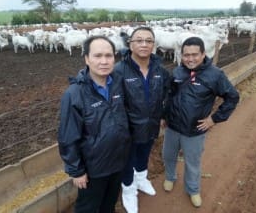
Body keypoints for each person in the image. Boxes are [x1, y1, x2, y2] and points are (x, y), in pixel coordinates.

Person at [162, 37, 239, 208]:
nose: (190, 59)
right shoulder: (177, 73)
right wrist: (165, 116)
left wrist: (214, 119)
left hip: (194, 130)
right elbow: (169, 95)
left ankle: (193, 189)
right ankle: (170, 177)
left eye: (195, 54)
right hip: (173, 127)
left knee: (192, 162)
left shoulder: (215, 75)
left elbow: (232, 97)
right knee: (168, 156)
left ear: (204, 54)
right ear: (181, 56)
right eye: (186, 55)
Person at [57, 36, 131, 213]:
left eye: (109, 55)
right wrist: (76, 171)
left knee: (110, 203)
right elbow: (68, 137)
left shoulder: (118, 84)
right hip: (94, 169)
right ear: (87, 59)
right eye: (98, 56)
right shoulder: (74, 94)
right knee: (88, 207)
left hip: (118, 161)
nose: (104, 61)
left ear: (115, 58)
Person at [115, 26, 170, 213]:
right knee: (127, 160)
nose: (144, 44)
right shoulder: (119, 71)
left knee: (144, 154)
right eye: (139, 40)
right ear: (130, 44)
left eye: (148, 40)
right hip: (127, 129)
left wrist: (164, 114)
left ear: (154, 45)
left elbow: (168, 92)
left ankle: (141, 179)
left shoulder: (159, 70)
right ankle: (129, 191)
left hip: (151, 124)